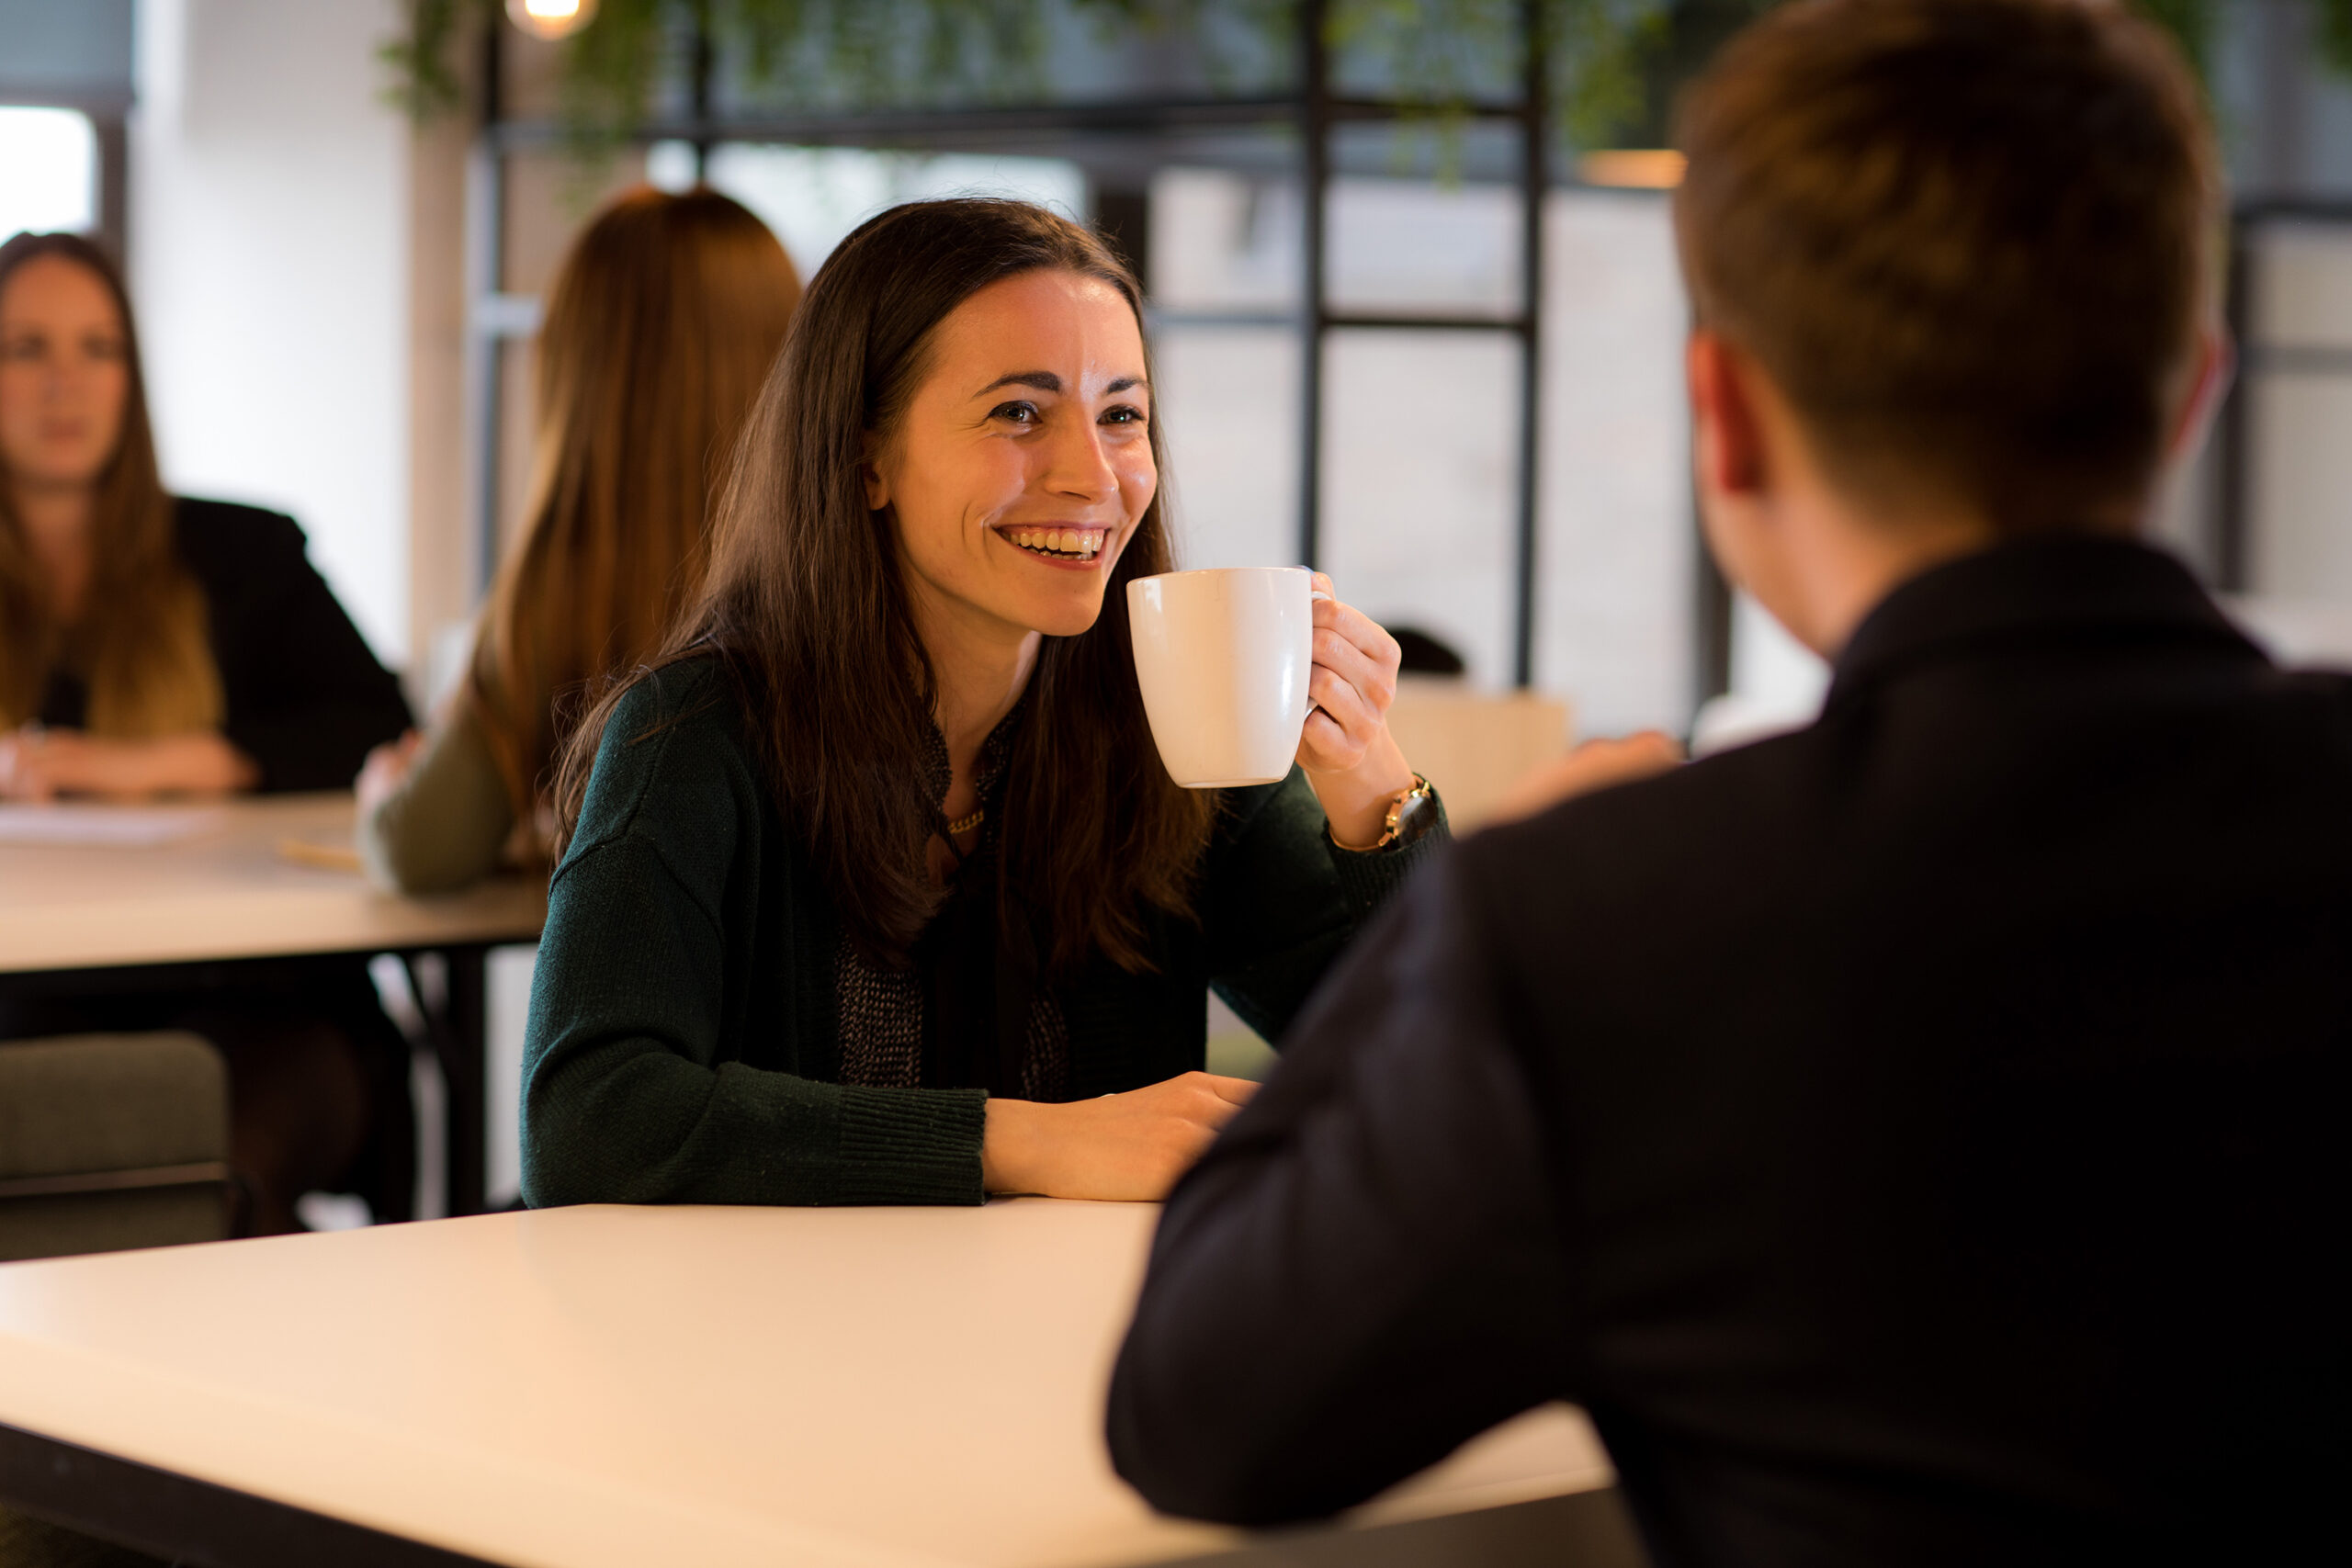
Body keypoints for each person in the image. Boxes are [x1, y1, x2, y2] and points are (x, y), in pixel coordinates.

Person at [1107, 2, 2346, 1562]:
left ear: (1727, 416)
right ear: (2193, 392)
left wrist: (1460, 921)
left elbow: (1197, 1411)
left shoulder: (1611, 921)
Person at [521, 197, 1445, 1209]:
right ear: (864, 456)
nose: (1092, 475)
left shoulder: (1164, 725)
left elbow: (1449, 1072)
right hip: (760, 1346)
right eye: (1018, 412)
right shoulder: (695, 736)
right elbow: (591, 1121)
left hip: (1071, 1342)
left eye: (1121, 414)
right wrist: (1017, 1142)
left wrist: (1370, 789)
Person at [0, 231, 416, 1234]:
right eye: (28, 349)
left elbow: (382, 727)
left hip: (258, 1005)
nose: (66, 383)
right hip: (28, 1011)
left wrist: (153, 766)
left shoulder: (245, 551)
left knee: (203, 1174)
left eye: (98, 349)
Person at [357, 186, 801, 893]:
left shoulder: (563, 586)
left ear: (580, 375)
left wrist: (385, 788)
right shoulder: (848, 568)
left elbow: (425, 846)